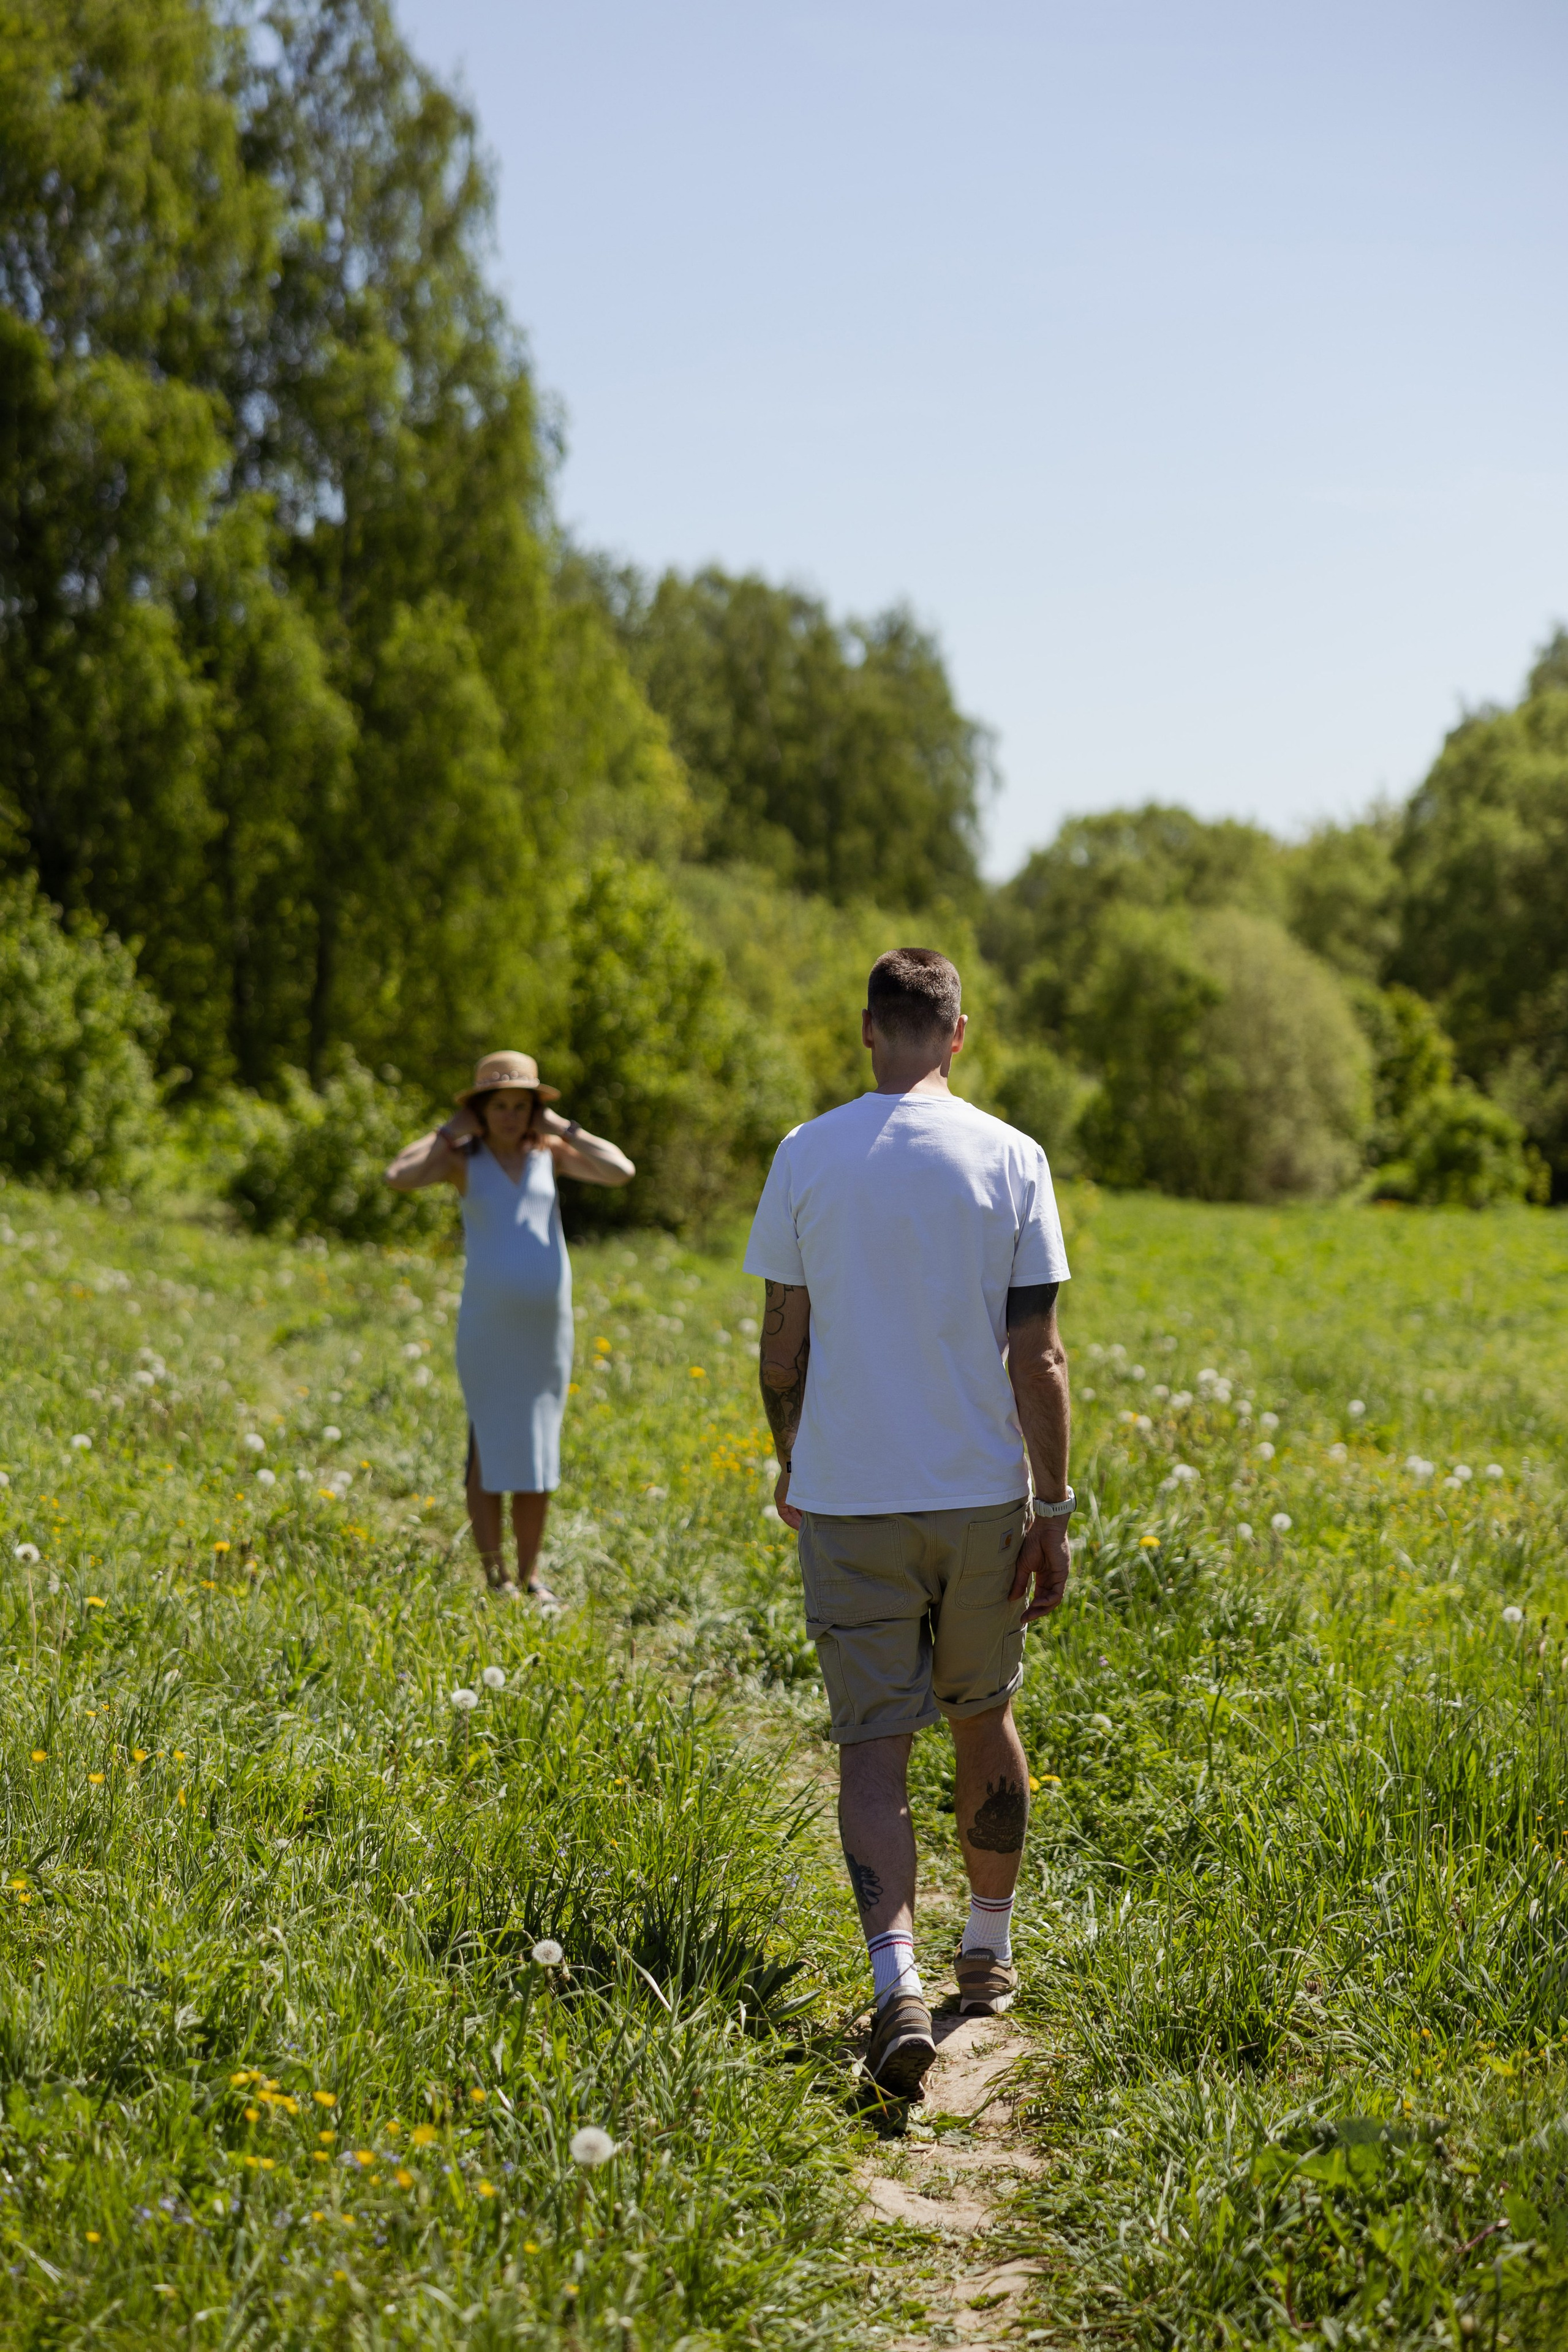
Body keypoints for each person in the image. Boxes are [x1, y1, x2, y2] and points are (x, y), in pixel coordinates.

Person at [743, 949, 1072, 2100]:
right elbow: (1037, 1353)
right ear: (958, 1034)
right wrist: (1058, 1508)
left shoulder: (805, 1153)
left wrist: (793, 1457)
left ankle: (896, 1983)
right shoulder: (1013, 1157)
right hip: (982, 1497)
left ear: (870, 1032)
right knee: (984, 1717)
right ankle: (986, 1954)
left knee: (873, 1747)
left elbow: (782, 1346)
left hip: (850, 1499)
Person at [385, 1050, 635, 1596]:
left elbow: (622, 1171)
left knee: (539, 1446)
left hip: (545, 1331)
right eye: (498, 1104)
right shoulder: (461, 1159)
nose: (510, 1115)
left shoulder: (552, 1154)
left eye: (521, 1105)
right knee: (490, 1444)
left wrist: (560, 1126)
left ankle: (532, 1576)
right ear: (480, 1109)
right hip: (488, 1329)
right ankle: (495, 1576)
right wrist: (450, 1130)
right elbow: (398, 1175)